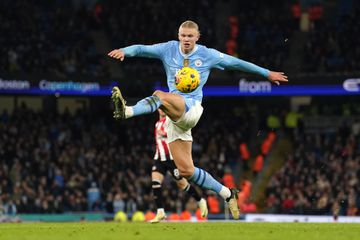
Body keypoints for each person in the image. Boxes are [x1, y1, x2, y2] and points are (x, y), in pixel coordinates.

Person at [108, 20, 288, 219]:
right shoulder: (168, 49)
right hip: (174, 117)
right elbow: (142, 49)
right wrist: (124, 51)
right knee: (186, 171)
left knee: (160, 94)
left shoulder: (207, 54)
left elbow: (236, 63)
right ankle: (228, 193)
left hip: (192, 108)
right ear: (178, 36)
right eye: (183, 35)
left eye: (190, 36)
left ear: (197, 37)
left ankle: (127, 111)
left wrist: (266, 73)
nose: (186, 39)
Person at [150, 109, 207, 223]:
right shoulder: (157, 123)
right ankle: (160, 212)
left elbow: (177, 135)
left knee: (183, 185)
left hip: (172, 159)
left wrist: (165, 134)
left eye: (163, 108)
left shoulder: (171, 122)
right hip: (159, 158)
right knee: (155, 182)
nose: (161, 110)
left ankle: (200, 200)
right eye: (160, 108)